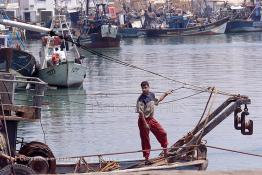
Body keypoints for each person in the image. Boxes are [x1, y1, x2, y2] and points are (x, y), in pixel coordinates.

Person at [136, 81, 173, 165]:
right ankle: (146, 159)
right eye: (143, 88)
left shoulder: (151, 95)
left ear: (149, 87)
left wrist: (166, 94)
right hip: (143, 121)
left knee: (163, 133)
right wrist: (145, 124)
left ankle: (166, 152)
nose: (144, 89)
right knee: (145, 140)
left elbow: (158, 100)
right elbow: (141, 113)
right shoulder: (140, 99)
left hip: (151, 119)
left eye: (146, 87)